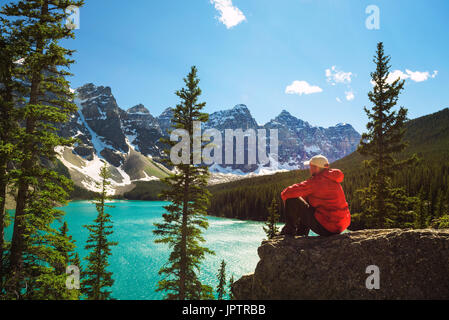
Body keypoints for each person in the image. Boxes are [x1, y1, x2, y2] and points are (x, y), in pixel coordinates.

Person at [279, 154, 350, 237]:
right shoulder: (333, 179)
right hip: (340, 226)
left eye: (311, 167)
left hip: (327, 227)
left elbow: (286, 193)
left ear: (316, 168)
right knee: (307, 201)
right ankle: (301, 233)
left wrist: (288, 206)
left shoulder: (316, 181)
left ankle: (289, 231)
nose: (309, 169)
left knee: (292, 199)